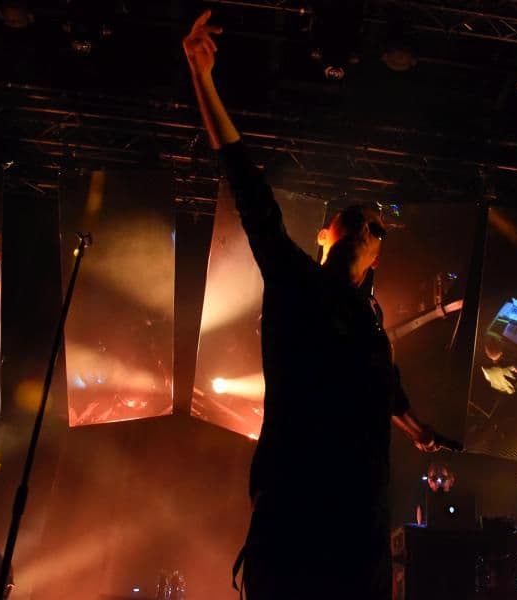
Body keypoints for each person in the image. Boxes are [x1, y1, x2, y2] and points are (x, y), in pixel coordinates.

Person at [183, 11, 460, 599]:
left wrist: (419, 432)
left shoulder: (374, 329)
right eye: (353, 218)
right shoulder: (295, 279)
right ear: (324, 235)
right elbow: (247, 184)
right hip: (294, 518)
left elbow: (390, 393)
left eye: (376, 227)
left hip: (360, 532)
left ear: (377, 257)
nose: (366, 225)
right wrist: (204, 79)